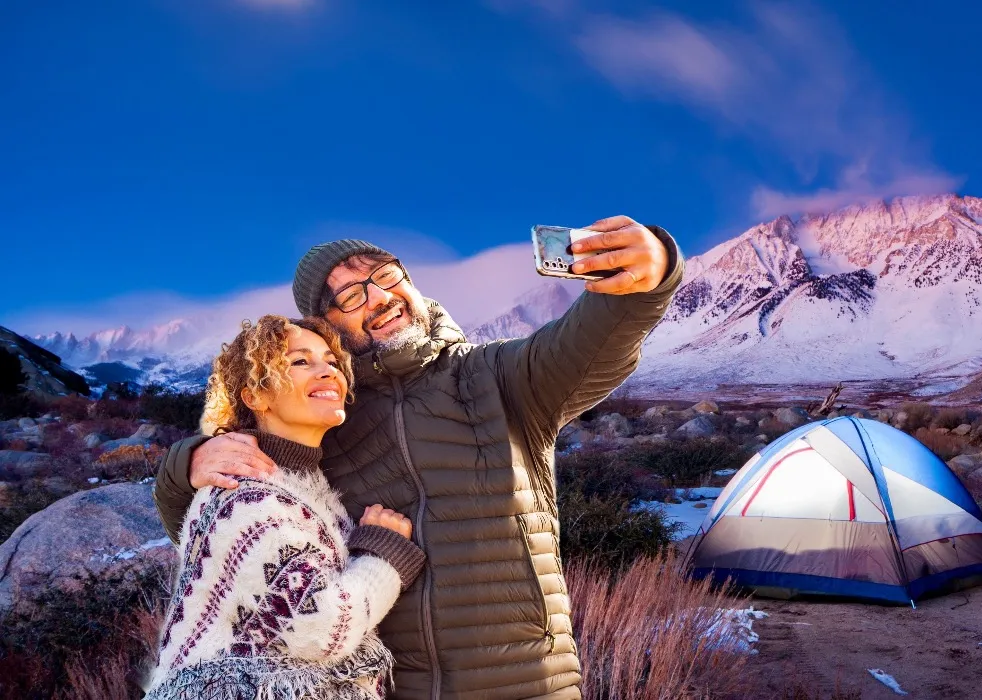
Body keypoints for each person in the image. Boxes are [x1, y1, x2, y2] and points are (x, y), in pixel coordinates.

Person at [154, 216, 683, 699]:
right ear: (327, 328)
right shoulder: (329, 422)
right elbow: (231, 543)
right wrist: (188, 465)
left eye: (385, 275)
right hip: (393, 690)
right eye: (351, 297)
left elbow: (591, 342)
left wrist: (648, 275)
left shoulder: (501, 378)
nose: (378, 297)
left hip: (527, 682)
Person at [145, 315, 427, 699]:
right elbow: (320, 629)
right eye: (300, 361)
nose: (328, 372)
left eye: (331, 361)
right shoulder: (245, 496)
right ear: (255, 396)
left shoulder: (304, 485)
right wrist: (384, 556)